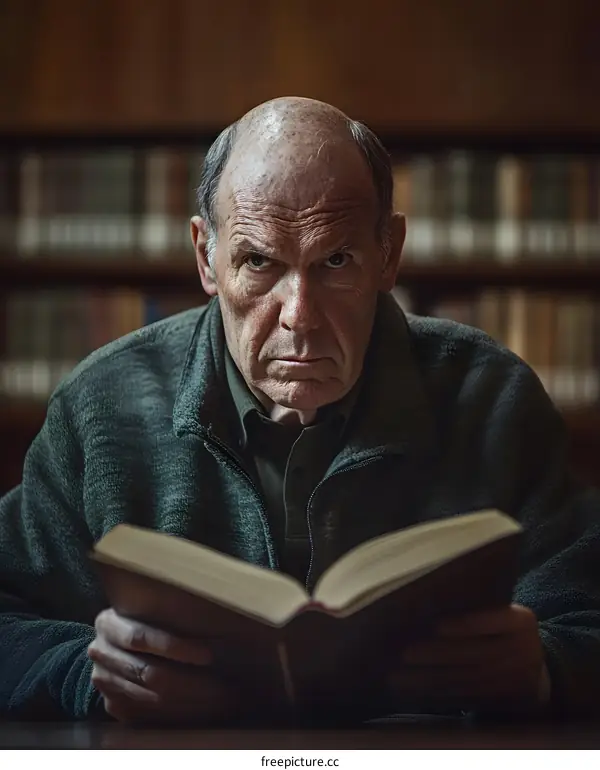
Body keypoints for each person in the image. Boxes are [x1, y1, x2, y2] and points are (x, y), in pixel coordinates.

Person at [1, 97, 599, 725]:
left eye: (336, 261)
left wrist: (543, 669)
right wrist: (87, 674)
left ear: (388, 252)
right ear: (207, 257)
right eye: (258, 262)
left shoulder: (492, 399)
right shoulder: (101, 404)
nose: (299, 317)